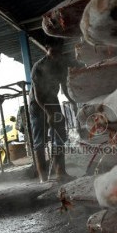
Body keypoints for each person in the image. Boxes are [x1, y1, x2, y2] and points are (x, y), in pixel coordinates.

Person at [29, 39, 78, 183]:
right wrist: (49, 113)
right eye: (53, 51)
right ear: (46, 48)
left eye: (59, 51)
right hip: (37, 104)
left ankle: (60, 173)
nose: (56, 54)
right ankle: (43, 178)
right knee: (40, 141)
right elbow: (37, 95)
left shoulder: (61, 65)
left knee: (59, 136)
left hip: (52, 100)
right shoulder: (39, 66)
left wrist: (73, 102)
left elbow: (64, 87)